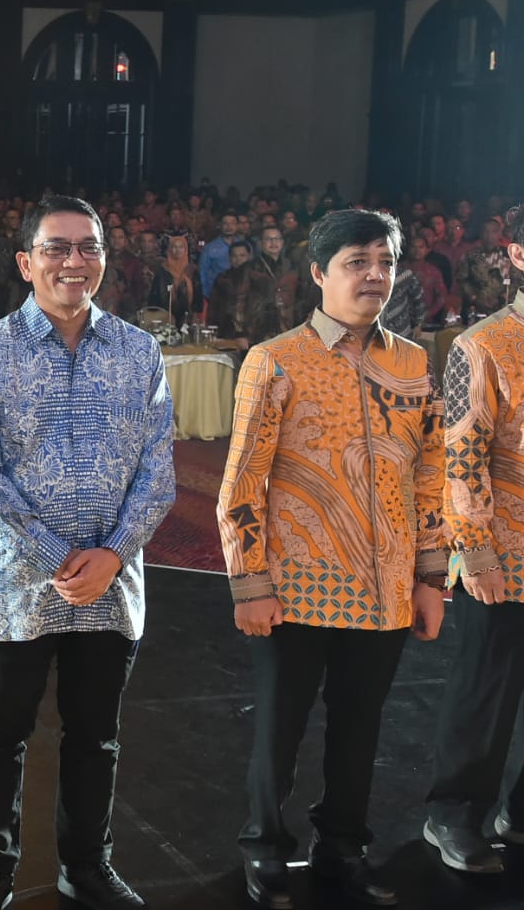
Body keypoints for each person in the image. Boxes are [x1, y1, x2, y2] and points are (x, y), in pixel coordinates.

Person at [216, 209, 446, 910]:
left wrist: (432, 576)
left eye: (384, 260)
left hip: (385, 585)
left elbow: (432, 470)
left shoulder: (411, 361)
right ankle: (263, 846)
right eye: (356, 260)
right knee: (280, 727)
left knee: (360, 727)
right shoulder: (276, 359)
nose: (374, 273)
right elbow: (241, 479)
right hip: (295, 584)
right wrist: (248, 583)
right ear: (319, 273)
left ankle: (343, 846)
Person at [0, 196, 174, 910]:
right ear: (25, 261)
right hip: (15, 583)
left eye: (88, 247)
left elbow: (159, 471)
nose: (74, 261)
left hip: (111, 583)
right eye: (56, 247)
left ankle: (87, 865)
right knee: (0, 734)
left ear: (104, 258)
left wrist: (111, 553)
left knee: (95, 737)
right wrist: (56, 554)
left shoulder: (140, 352)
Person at [424, 203, 524, 875]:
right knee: (486, 689)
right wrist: (476, 549)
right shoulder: (482, 344)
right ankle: (453, 813)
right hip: (505, 547)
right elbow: (460, 457)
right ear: (517, 253)